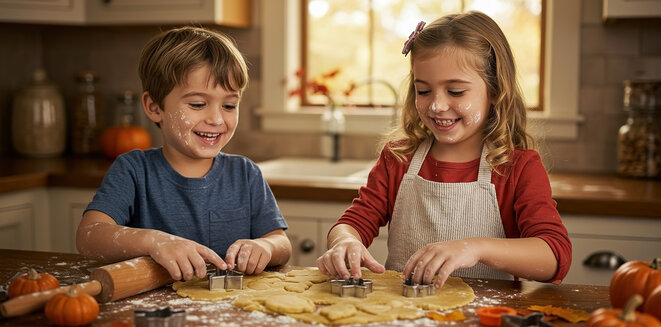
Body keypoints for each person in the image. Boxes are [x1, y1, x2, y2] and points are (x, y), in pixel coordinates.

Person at [316, 11, 571, 289]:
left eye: (456, 92)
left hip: (483, 324)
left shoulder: (517, 168)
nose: (436, 105)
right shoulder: (398, 159)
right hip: (404, 320)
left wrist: (474, 248)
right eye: (423, 91)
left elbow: (555, 256)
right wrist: (345, 242)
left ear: (496, 91)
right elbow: (354, 221)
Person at [76, 26, 291, 281]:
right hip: (157, 311)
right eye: (198, 104)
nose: (216, 118)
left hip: (233, 309)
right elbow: (89, 235)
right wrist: (154, 241)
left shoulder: (245, 174)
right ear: (155, 107)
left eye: (229, 105)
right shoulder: (133, 171)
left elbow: (281, 243)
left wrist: (264, 247)